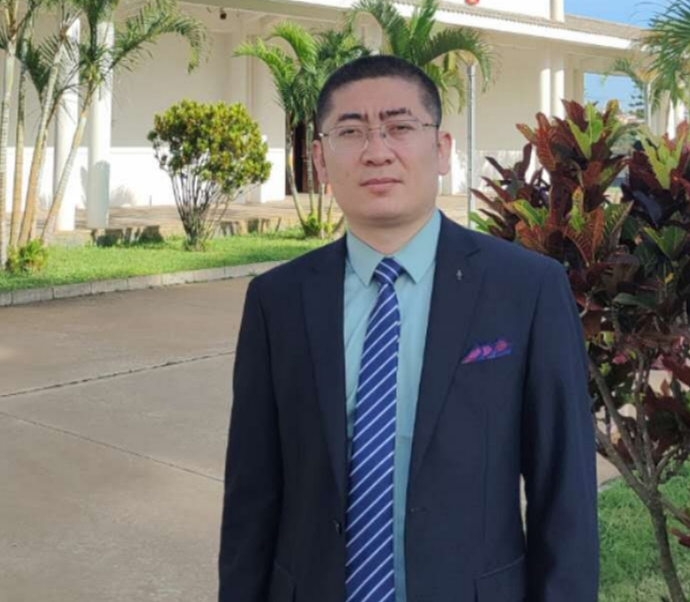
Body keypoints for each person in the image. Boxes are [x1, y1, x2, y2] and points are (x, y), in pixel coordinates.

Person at [218, 55, 599, 602]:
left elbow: (564, 493)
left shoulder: (527, 290)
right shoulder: (277, 300)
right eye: (351, 131)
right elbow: (251, 493)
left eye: (399, 127)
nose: (377, 151)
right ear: (320, 160)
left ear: (441, 150)